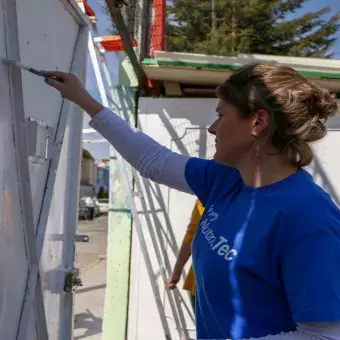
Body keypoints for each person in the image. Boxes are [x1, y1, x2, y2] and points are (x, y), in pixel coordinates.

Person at [42, 64, 340, 340]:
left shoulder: (308, 216)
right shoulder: (227, 180)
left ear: (258, 122)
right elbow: (153, 160)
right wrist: (84, 100)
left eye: (221, 115)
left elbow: (324, 335)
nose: (212, 128)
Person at [167, 199, 204, 312]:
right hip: (199, 283)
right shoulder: (204, 199)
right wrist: (176, 272)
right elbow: (191, 235)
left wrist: (176, 272)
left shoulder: (206, 198)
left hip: (201, 284)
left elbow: (191, 235)